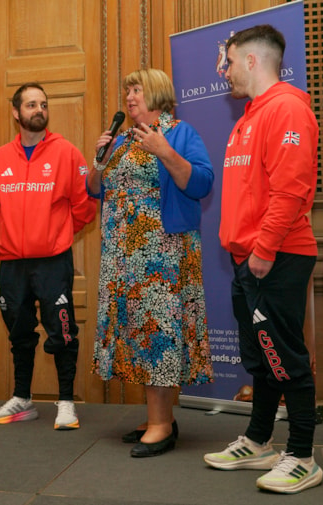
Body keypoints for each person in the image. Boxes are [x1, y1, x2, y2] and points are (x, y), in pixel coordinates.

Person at [203, 25, 323, 494]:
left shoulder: (288, 109)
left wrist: (265, 248)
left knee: (286, 357)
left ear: (252, 60)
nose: (224, 71)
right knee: (261, 359)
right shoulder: (249, 117)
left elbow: (290, 190)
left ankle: (302, 455)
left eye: (229, 62)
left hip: (275, 257)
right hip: (247, 258)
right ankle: (258, 441)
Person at [88, 69, 214, 457]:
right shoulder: (123, 139)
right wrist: (98, 160)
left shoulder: (179, 132)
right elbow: (95, 190)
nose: (129, 97)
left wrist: (165, 152)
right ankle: (155, 416)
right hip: (122, 258)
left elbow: (202, 183)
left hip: (163, 257)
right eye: (127, 91)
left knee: (158, 333)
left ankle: (162, 423)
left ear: (157, 93)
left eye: (137, 90)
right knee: (137, 335)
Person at [0, 82, 97, 430]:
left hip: (53, 261)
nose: (39, 110)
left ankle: (66, 402)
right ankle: (22, 399)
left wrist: (56, 234)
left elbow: (84, 207)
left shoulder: (67, 153)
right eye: (31, 104)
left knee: (62, 331)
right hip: (12, 263)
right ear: (16, 113)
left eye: (44, 104)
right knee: (19, 333)